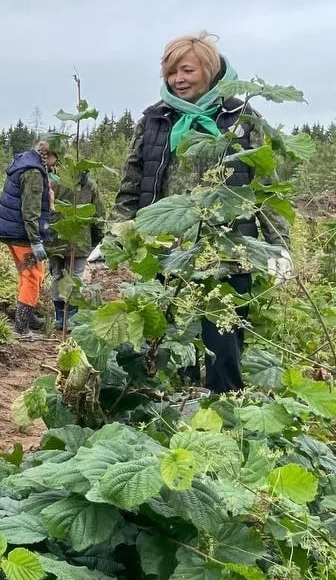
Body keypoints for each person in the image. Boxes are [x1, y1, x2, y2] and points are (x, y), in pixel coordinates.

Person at [92, 32, 290, 393]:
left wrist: (279, 245)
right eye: (171, 72)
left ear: (209, 71)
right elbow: (131, 188)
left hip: (229, 254)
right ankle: (174, 413)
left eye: (186, 70)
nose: (178, 80)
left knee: (224, 347)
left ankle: (225, 413)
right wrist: (112, 238)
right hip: (168, 255)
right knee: (171, 348)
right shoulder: (154, 120)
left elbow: (265, 187)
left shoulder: (242, 118)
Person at [0, 137, 60, 338]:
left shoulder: (25, 162)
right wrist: (35, 239)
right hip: (22, 234)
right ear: (49, 155)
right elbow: (30, 210)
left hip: (14, 230)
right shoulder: (33, 172)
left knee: (27, 274)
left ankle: (28, 317)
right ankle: (22, 328)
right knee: (33, 276)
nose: (56, 164)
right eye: (56, 159)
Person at [47, 169, 104, 329]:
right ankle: (71, 316)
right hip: (80, 239)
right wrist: (97, 238)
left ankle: (60, 316)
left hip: (55, 235)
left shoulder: (54, 182)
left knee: (57, 275)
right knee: (75, 277)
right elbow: (98, 214)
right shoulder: (90, 185)